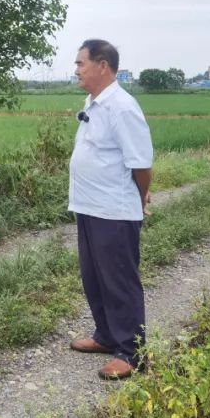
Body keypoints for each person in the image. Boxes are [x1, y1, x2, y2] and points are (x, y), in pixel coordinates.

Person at [68, 39, 153, 380]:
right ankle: (106, 335)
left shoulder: (122, 107)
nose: (76, 70)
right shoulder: (94, 103)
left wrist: (140, 197)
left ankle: (133, 352)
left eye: (81, 64)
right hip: (89, 206)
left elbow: (142, 164)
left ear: (102, 65)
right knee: (94, 277)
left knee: (119, 281)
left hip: (115, 210)